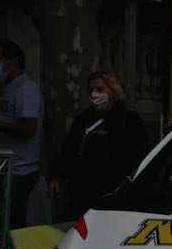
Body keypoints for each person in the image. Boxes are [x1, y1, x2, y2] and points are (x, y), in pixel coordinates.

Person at [49, 71, 148, 221]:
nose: (94, 94)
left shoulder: (129, 120)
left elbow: (140, 156)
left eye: (100, 89)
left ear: (113, 91)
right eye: (91, 90)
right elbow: (69, 149)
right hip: (81, 192)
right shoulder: (83, 119)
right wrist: (56, 175)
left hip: (112, 194)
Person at [0, 39, 42, 229]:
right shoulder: (6, 88)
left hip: (19, 170)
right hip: (3, 167)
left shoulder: (26, 88)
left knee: (12, 224)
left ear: (13, 60)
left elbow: (29, 129)